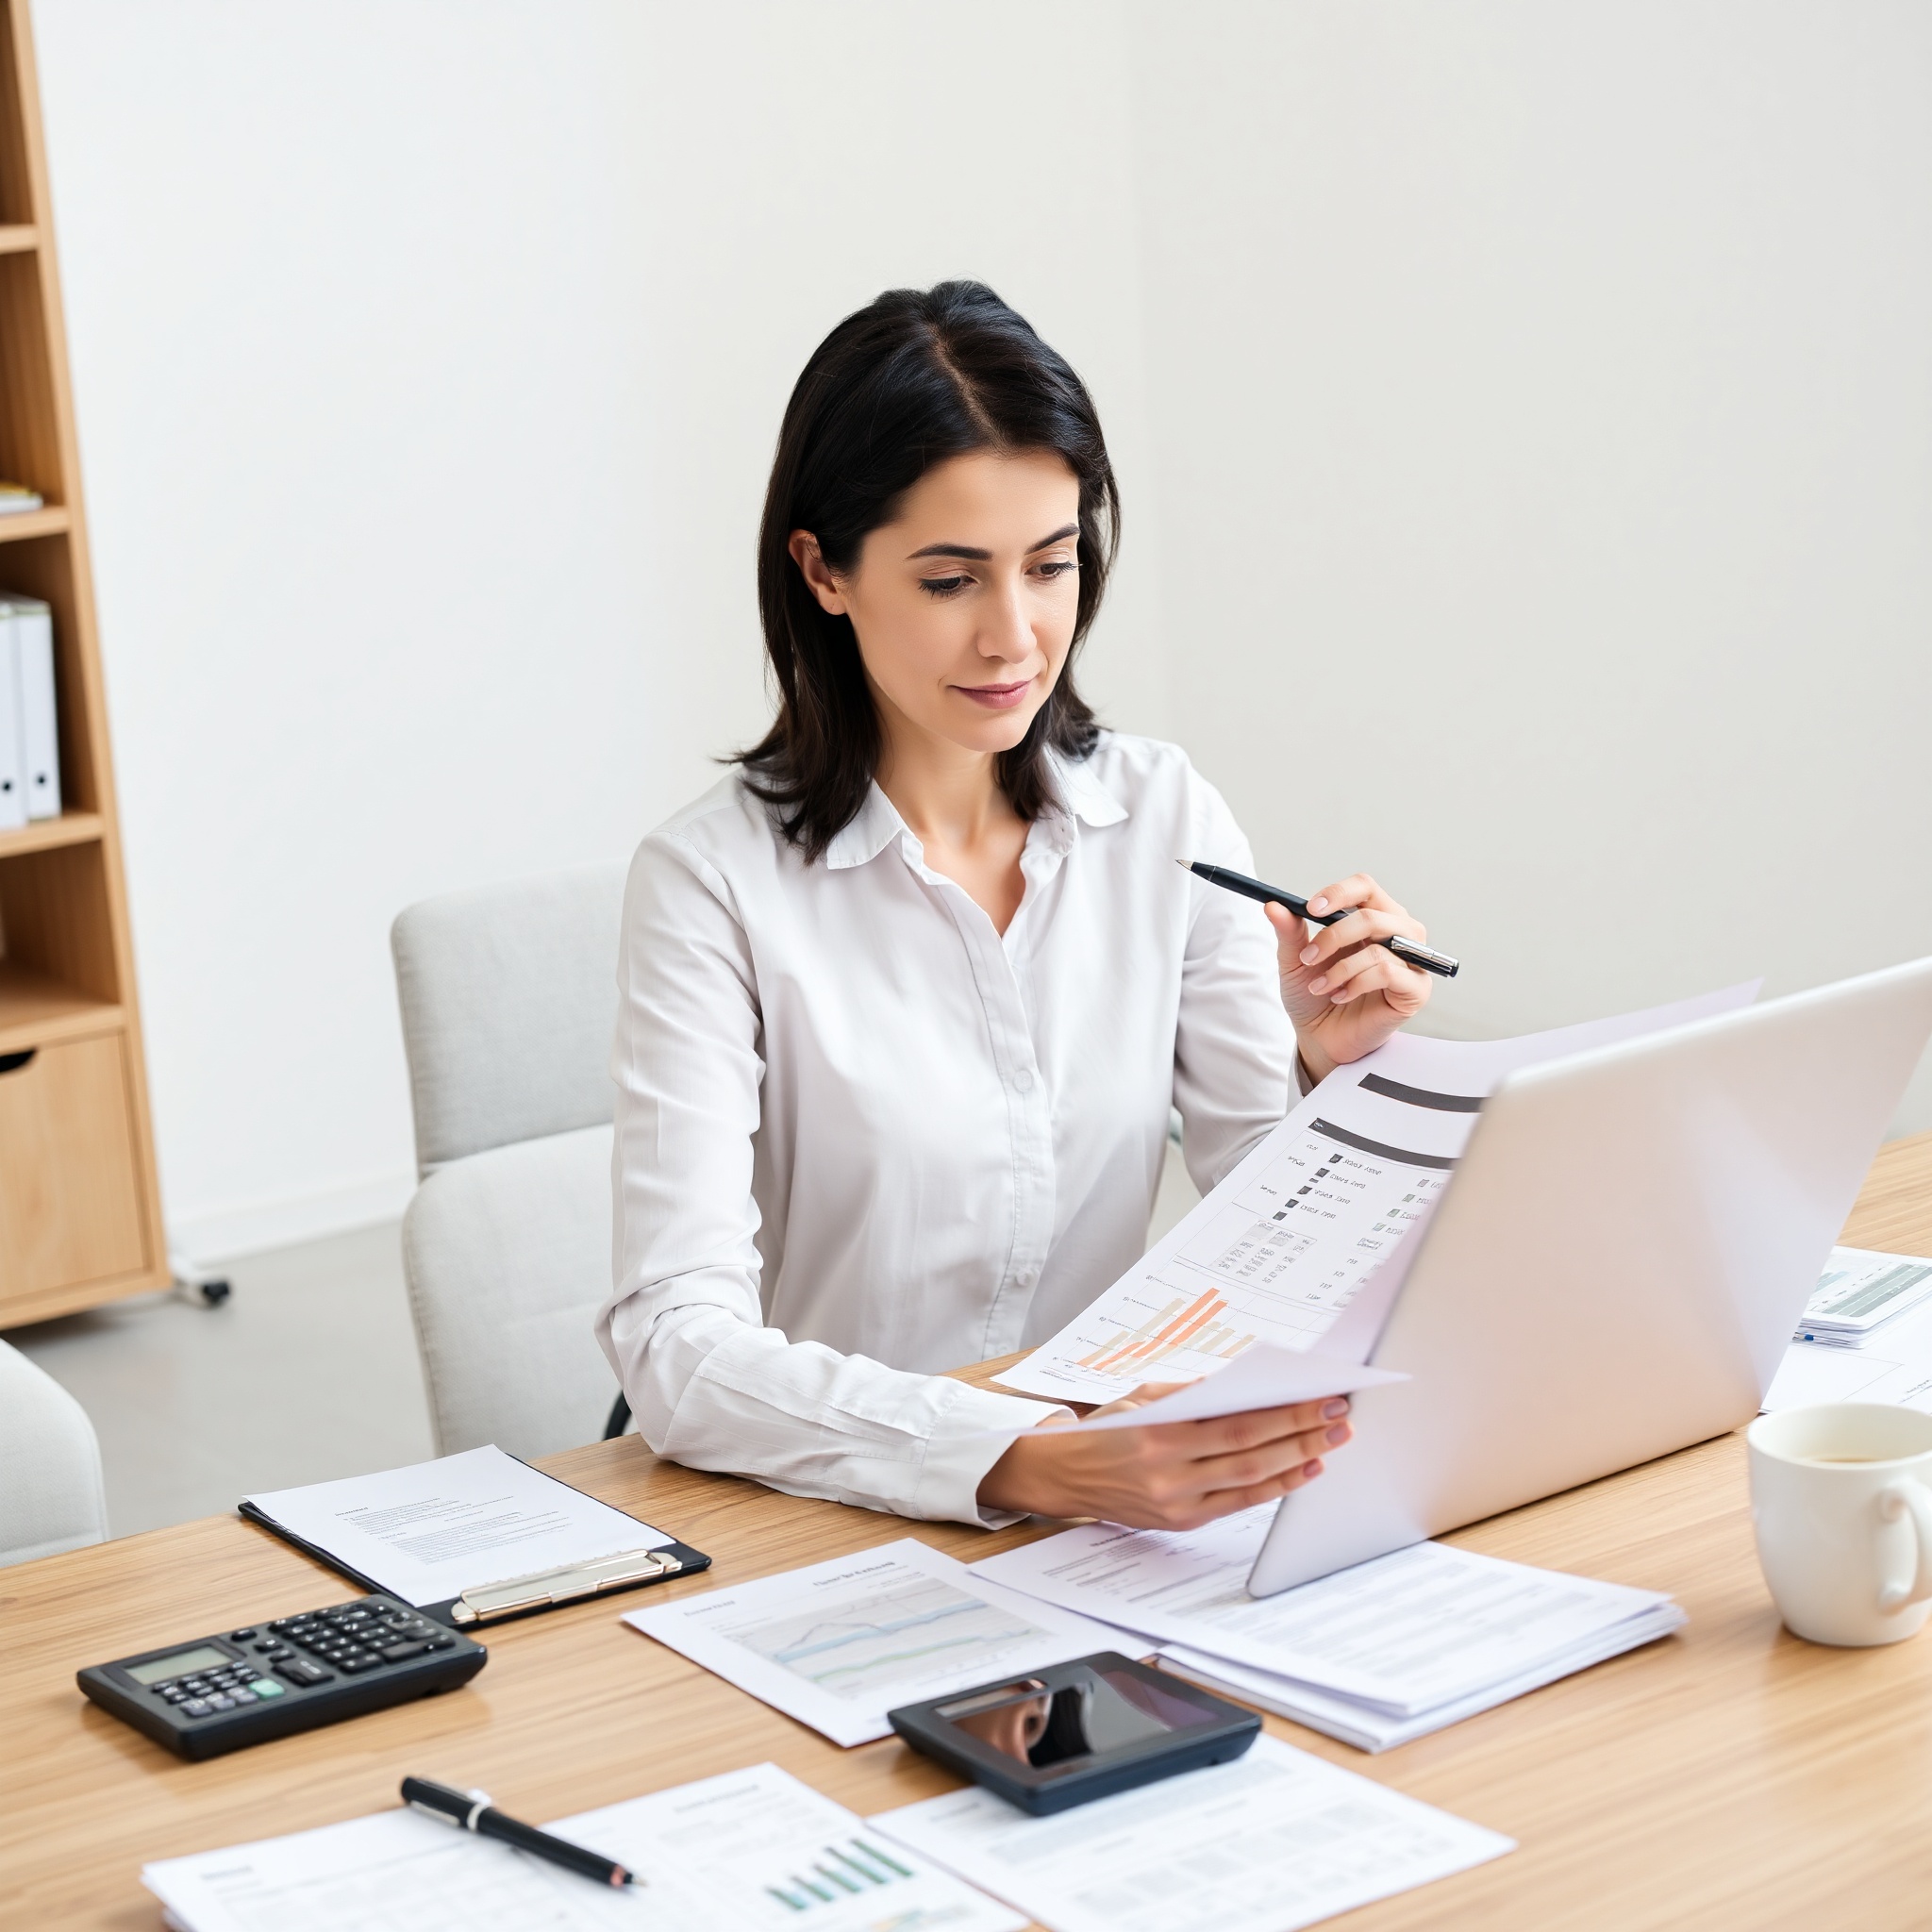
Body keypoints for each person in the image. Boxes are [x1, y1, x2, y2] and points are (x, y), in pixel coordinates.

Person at [596, 281, 1434, 1531]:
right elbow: (677, 1346)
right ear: (824, 570)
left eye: (1050, 568)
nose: (1015, 638)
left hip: (1115, 1496)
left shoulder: (1165, 820)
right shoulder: (712, 886)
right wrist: (1012, 1457)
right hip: (827, 1502)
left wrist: (1337, 1077)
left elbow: (1270, 1233)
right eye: (950, 581)